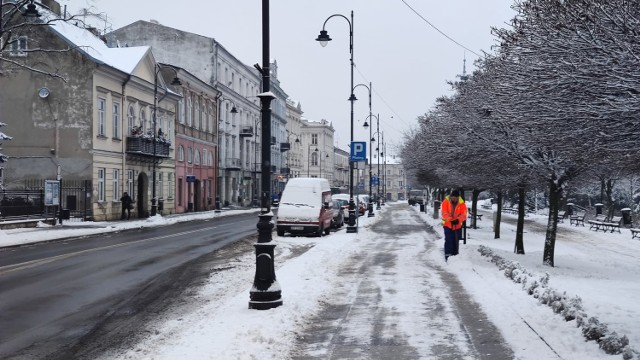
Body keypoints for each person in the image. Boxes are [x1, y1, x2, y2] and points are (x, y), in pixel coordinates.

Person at [441, 189, 468, 261]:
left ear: (458, 197)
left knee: (456, 241)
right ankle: (447, 256)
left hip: (457, 226)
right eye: (453, 198)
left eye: (456, 198)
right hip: (447, 225)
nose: (454, 200)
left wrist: (458, 220)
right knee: (449, 240)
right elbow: (444, 213)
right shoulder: (446, 202)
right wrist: (451, 220)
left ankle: (455, 256)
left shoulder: (462, 204)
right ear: (451, 197)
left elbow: (464, 214)